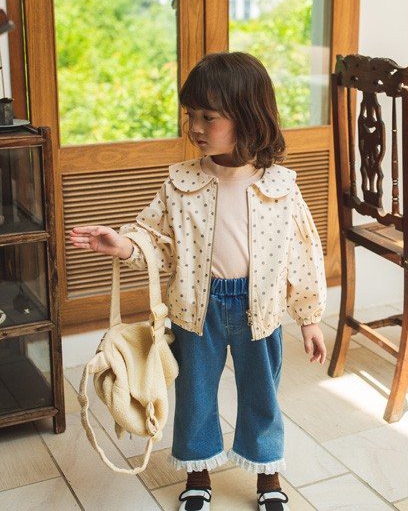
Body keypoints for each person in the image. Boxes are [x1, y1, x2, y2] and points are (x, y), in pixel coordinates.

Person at [70, 51, 327, 511]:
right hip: (195, 308)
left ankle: (268, 475)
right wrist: (123, 244)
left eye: (209, 117)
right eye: (191, 115)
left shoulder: (281, 186)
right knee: (195, 395)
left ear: (248, 116)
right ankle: (197, 475)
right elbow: (155, 239)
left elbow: (303, 253)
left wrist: (309, 318)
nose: (195, 127)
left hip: (259, 310)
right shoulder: (180, 182)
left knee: (262, 394)